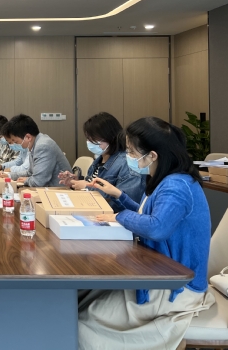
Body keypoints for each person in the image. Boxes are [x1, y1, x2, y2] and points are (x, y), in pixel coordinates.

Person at [78, 117, 215, 349]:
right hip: (158, 272)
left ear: (152, 155)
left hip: (176, 288)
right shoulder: (165, 179)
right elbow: (146, 214)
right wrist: (120, 196)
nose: (128, 156)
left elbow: (156, 227)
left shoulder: (177, 186)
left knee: (83, 321)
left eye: (132, 152)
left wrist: (119, 216)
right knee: (82, 300)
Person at [57, 112, 146, 212]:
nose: (90, 143)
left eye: (95, 139)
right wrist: (76, 182)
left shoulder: (126, 163)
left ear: (111, 137)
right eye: (88, 139)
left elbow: (126, 204)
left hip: (113, 216)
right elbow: (92, 184)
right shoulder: (99, 160)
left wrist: (87, 188)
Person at [0, 114, 71, 187]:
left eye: (15, 141)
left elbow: (38, 181)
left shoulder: (43, 146)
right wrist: (9, 175)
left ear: (28, 137)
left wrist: (26, 180)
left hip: (58, 190)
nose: (14, 144)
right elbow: (30, 172)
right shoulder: (35, 143)